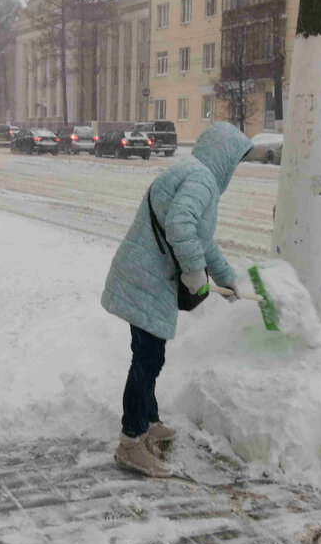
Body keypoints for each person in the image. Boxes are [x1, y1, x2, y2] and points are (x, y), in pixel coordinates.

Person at [100, 121, 252, 478]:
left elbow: (201, 238)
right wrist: (196, 273)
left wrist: (224, 277)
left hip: (144, 275)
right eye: (236, 160)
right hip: (148, 278)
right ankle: (131, 441)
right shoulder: (201, 181)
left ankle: (148, 421)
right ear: (225, 156)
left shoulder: (195, 174)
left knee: (149, 354)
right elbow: (181, 227)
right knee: (148, 358)